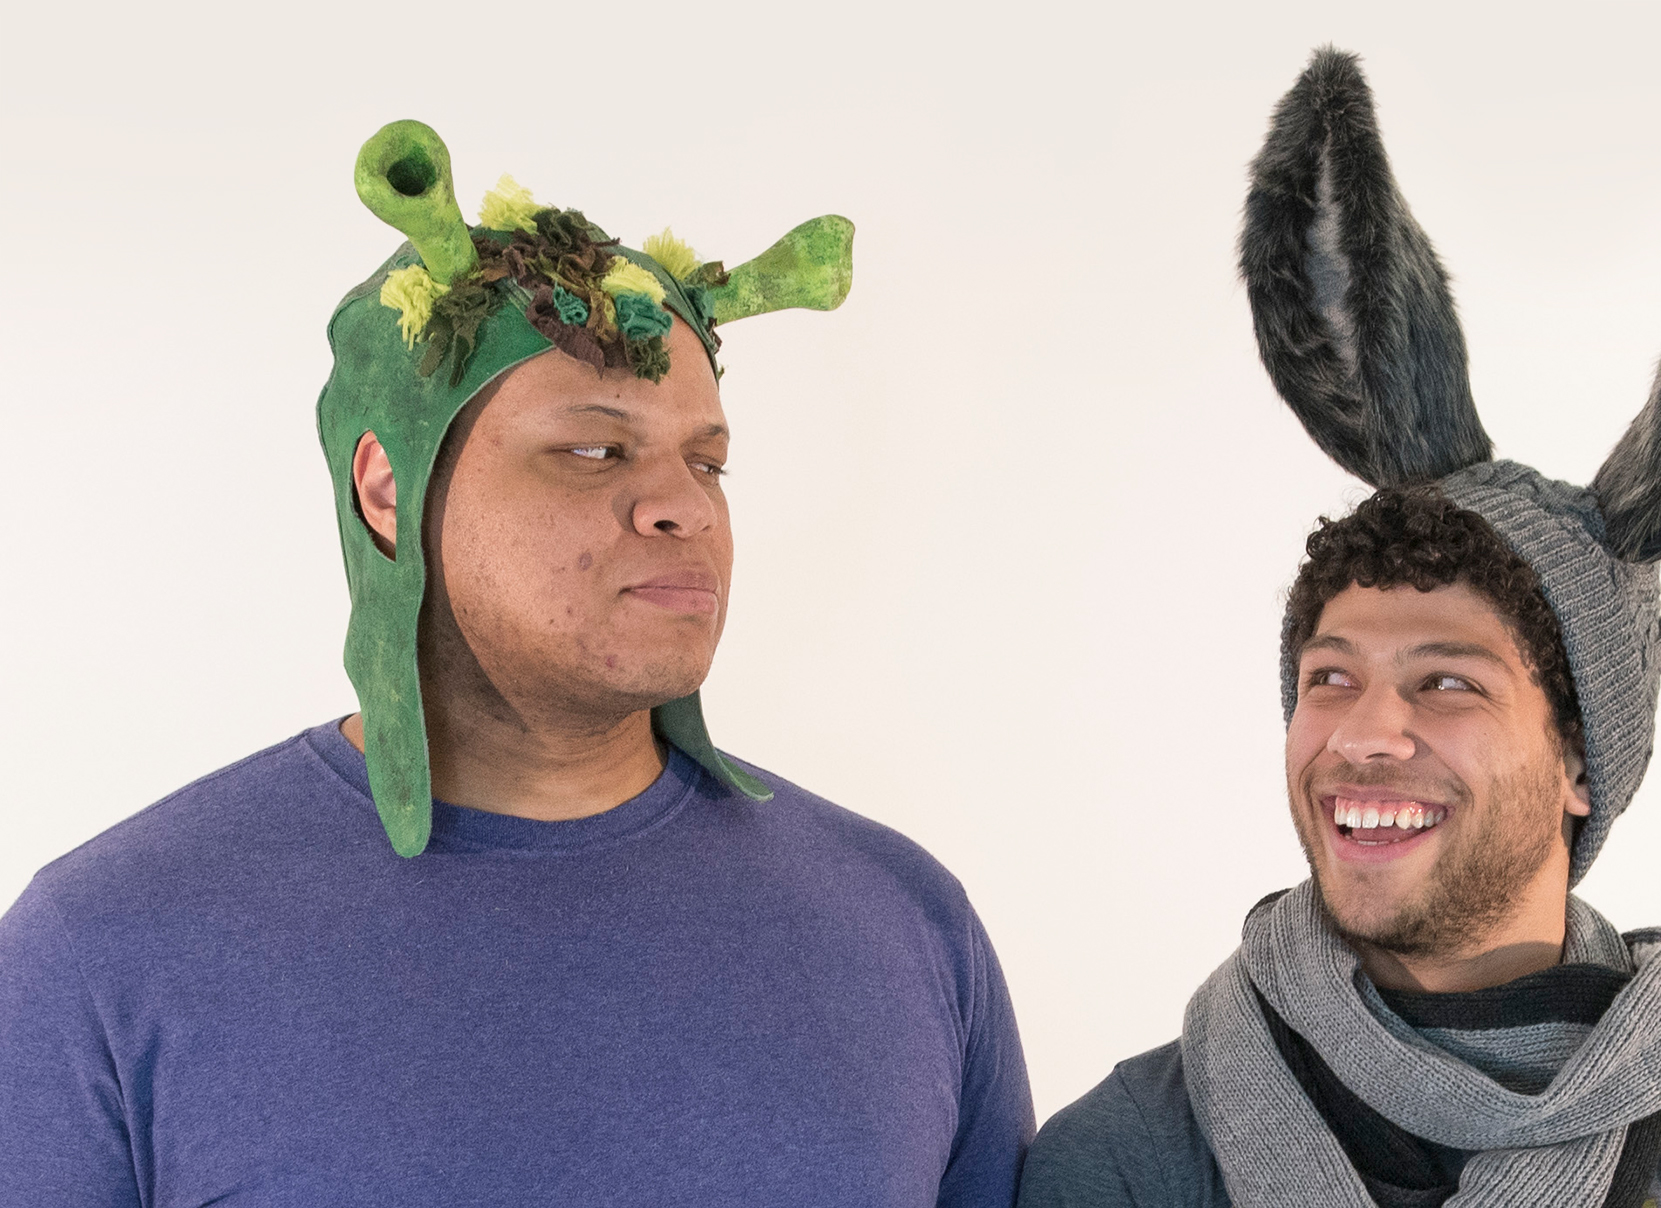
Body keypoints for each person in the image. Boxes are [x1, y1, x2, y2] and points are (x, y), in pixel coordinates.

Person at [0, 121, 1032, 1207]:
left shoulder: (906, 926)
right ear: (386, 486)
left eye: (708, 459)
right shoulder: (103, 955)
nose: (682, 504)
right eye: (593, 449)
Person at [1018, 48, 1661, 1208]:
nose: (1361, 731)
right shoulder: (1124, 1158)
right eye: (1327, 677)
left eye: (1445, 683)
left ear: (1577, 759)